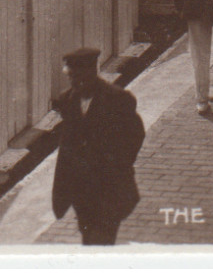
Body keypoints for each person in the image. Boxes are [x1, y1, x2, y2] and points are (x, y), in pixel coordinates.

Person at [50, 48, 145, 245]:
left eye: (81, 77)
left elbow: (135, 134)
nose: (77, 83)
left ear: (93, 73)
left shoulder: (118, 99)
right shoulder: (67, 100)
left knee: (101, 240)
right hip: (81, 191)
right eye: (72, 77)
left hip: (110, 189)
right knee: (89, 238)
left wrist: (119, 163)